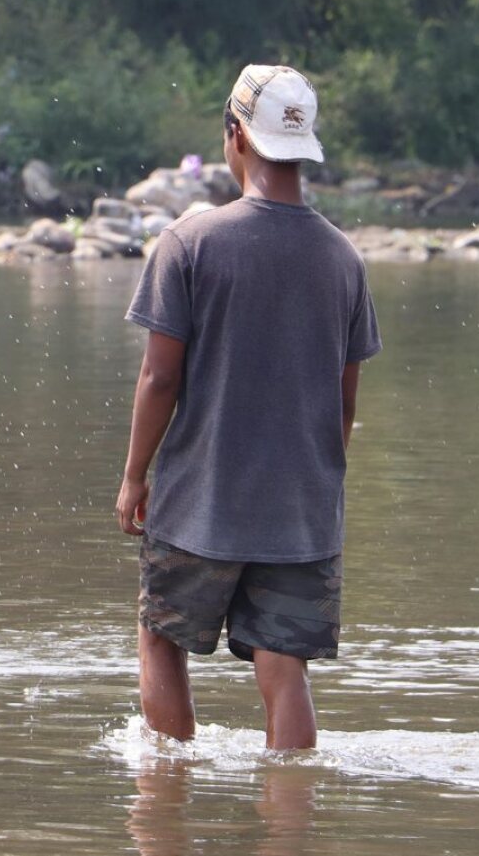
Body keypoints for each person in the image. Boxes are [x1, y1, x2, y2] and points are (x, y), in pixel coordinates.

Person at [115, 64, 381, 750]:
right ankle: (290, 831)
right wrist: (314, 485)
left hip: (199, 502)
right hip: (300, 512)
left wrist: (134, 475)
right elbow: (343, 401)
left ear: (235, 135)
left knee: (160, 639)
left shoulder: (190, 243)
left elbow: (159, 379)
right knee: (284, 669)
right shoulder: (344, 260)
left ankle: (168, 809)